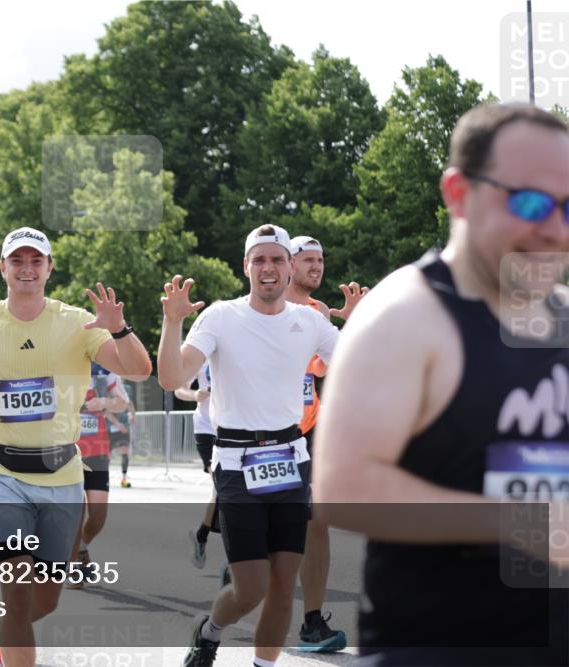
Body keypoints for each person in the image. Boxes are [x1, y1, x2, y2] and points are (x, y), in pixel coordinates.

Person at [314, 103, 569, 665]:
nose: (553, 229)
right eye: (530, 202)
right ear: (458, 193)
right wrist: (519, 524)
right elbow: (342, 487)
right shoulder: (406, 315)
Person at [0, 226, 152, 667]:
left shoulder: (76, 322)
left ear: (50, 268)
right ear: (3, 268)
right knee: (16, 592)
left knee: (45, 601)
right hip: (0, 472)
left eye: (36, 261)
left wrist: (120, 329)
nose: (27, 269)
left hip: (62, 475)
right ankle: (14, 634)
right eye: (17, 260)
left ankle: (11, 636)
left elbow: (141, 371)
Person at [159, 224, 339, 667]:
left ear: (290, 267)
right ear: (246, 267)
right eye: (259, 259)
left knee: (283, 583)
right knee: (251, 586)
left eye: (277, 259)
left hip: (290, 459)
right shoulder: (221, 316)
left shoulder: (310, 321)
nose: (268, 268)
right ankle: (209, 632)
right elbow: (171, 378)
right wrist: (172, 321)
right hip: (237, 463)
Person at [285, 235, 367, 652]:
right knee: (269, 535)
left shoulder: (318, 312)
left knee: (317, 522)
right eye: (307, 260)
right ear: (287, 264)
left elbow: (333, 368)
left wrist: (351, 326)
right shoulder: (256, 308)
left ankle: (312, 623)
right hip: (261, 433)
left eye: (320, 260)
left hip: (307, 431)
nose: (316, 267)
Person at [65, 362, 129, 590]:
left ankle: (82, 546)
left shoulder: (104, 370)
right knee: (74, 513)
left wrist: (103, 402)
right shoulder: (61, 361)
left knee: (98, 514)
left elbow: (123, 403)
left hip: (97, 451)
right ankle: (71, 567)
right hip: (67, 451)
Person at [179, 362, 217, 570]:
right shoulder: (201, 351)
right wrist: (194, 395)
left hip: (239, 425)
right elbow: (179, 388)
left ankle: (201, 534)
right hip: (207, 429)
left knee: (224, 490)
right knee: (222, 486)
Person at [104, 384, 136, 487]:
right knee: (106, 456)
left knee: (125, 452)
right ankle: (105, 479)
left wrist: (132, 415)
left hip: (124, 427)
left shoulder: (127, 388)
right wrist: (118, 424)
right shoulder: (106, 388)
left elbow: (129, 403)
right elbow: (106, 411)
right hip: (110, 428)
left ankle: (124, 478)